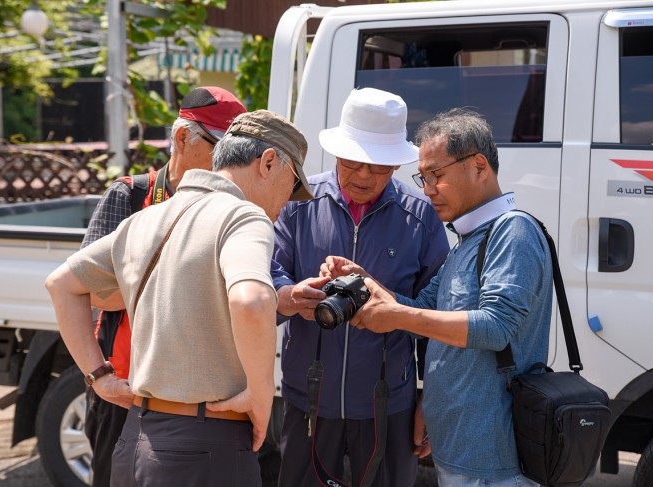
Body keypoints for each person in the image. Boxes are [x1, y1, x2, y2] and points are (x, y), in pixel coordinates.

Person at [46, 110, 313, 487]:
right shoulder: (244, 217)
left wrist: (100, 378)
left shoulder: (145, 219)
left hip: (134, 439)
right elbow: (251, 301)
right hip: (206, 445)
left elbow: (61, 284)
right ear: (268, 163)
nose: (287, 202)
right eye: (291, 185)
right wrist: (260, 395)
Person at [324, 108, 553, 486]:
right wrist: (368, 284)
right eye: (423, 177)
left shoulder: (513, 231)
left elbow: (496, 327)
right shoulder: (468, 242)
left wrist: (395, 315)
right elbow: (420, 310)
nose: (427, 189)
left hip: (494, 462)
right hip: (462, 456)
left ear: (479, 167)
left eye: (437, 175)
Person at [271, 87, 449, 487]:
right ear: (336, 151)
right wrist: (292, 295)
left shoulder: (420, 215)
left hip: (391, 404)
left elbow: (436, 312)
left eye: (381, 165)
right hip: (308, 399)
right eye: (354, 162)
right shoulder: (298, 204)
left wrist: (430, 399)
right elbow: (268, 275)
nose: (366, 175)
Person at [81, 86, 246, 487]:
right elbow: (92, 291)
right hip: (126, 385)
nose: (225, 161)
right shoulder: (132, 194)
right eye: (217, 146)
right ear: (181, 138)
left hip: (197, 390)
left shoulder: (231, 207)